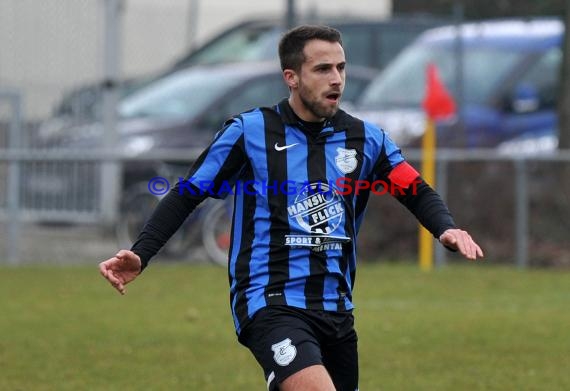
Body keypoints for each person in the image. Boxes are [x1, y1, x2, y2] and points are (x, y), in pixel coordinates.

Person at [99, 25, 484, 391]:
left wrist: (445, 227)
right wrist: (141, 253)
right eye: (322, 69)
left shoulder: (367, 139)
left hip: (335, 307)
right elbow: (187, 193)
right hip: (269, 300)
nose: (336, 78)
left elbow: (413, 188)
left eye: (341, 67)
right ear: (292, 78)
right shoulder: (250, 132)